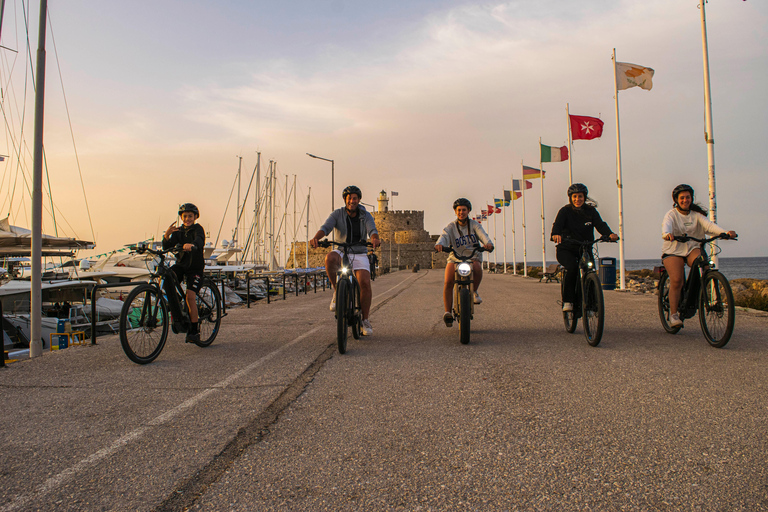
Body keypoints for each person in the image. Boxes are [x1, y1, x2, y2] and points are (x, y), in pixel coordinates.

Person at [661, 184, 737, 327]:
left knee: (703, 262)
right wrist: (667, 234)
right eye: (682, 198)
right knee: (677, 280)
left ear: (691, 198)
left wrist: (725, 233)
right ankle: (673, 314)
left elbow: (709, 226)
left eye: (688, 197)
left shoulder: (697, 216)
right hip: (674, 249)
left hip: (692, 247)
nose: (685, 200)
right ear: (676, 200)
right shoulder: (671, 214)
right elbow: (666, 225)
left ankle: (701, 295)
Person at [310, 186, 381, 336]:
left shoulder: (365, 215)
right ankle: (337, 292)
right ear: (345, 200)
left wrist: (374, 239)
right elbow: (326, 228)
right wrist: (317, 238)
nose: (351, 201)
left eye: (354, 198)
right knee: (330, 258)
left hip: (360, 252)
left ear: (359, 200)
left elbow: (372, 230)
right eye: (349, 198)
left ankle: (365, 320)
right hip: (341, 250)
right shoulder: (337, 214)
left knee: (365, 283)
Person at [550, 183, 618, 312]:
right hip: (566, 249)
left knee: (590, 271)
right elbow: (557, 225)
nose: (577, 199)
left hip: (585, 248)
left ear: (584, 197)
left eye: (580, 196)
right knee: (572, 268)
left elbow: (600, 224)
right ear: (570, 198)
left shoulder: (591, 211)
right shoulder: (565, 211)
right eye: (575, 197)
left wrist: (609, 234)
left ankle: (591, 306)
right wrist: (555, 234)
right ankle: (568, 301)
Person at [435, 198, 493, 327]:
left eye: (464, 210)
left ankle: (474, 291)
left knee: (477, 267)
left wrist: (488, 243)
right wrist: (439, 245)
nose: (461, 212)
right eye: (459, 210)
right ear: (455, 212)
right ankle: (447, 312)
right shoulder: (451, 227)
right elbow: (444, 236)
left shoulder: (474, 225)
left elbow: (483, 235)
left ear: (468, 211)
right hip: (455, 257)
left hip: (472, 256)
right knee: (448, 281)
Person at [163, 203, 206, 342]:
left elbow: (199, 240)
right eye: (185, 216)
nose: (187, 219)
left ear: (195, 217)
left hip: (195, 268)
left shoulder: (198, 229)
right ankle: (176, 303)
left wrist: (193, 245)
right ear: (181, 217)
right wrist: (167, 235)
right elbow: (167, 247)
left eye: (190, 216)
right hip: (181, 265)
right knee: (167, 276)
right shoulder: (178, 232)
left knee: (190, 297)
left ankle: (194, 330)